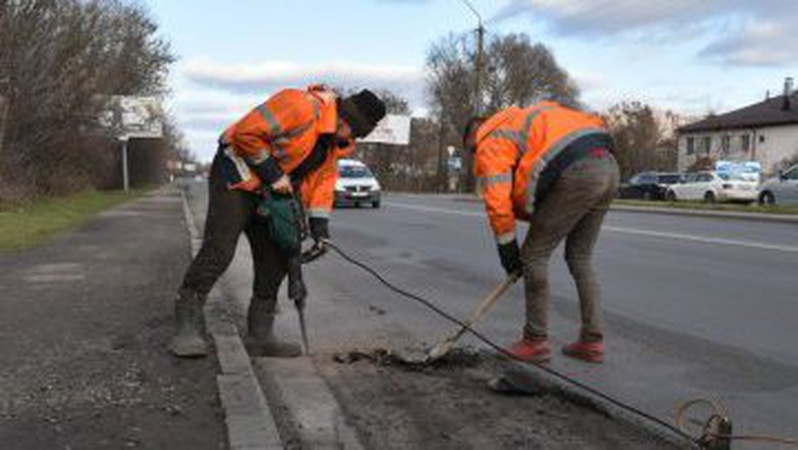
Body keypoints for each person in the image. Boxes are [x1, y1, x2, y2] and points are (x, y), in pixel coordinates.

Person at [169, 85, 386, 358]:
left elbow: (322, 184)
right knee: (220, 250)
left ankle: (260, 336)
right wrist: (272, 173)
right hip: (236, 176)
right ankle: (187, 323)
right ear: (345, 119)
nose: (351, 140)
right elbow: (245, 132)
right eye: (353, 133)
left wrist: (320, 229)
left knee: (276, 258)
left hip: (271, 191)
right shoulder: (300, 105)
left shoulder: (332, 145)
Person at [463, 100, 619, 364]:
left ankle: (535, 340)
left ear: (473, 138)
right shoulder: (527, 121)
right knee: (580, 257)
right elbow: (537, 183)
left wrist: (508, 249)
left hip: (578, 171)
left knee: (533, 256)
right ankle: (592, 341)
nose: (474, 157)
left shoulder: (490, 139)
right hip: (608, 165)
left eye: (471, 152)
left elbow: (498, 201)